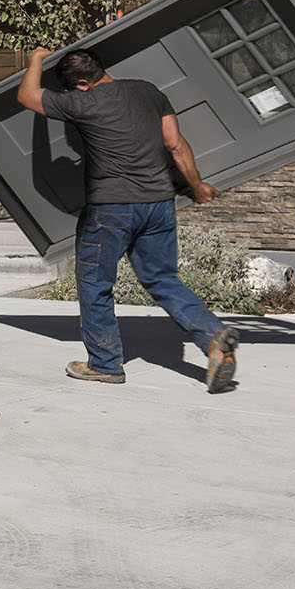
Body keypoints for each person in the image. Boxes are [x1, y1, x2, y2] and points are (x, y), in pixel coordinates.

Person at [18, 46, 239, 393]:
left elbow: (27, 95)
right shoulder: (148, 90)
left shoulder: (82, 103)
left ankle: (105, 364)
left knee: (94, 283)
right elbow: (176, 145)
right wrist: (196, 187)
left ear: (80, 84)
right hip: (158, 204)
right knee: (163, 280)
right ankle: (213, 337)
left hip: (110, 209)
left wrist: (36, 59)